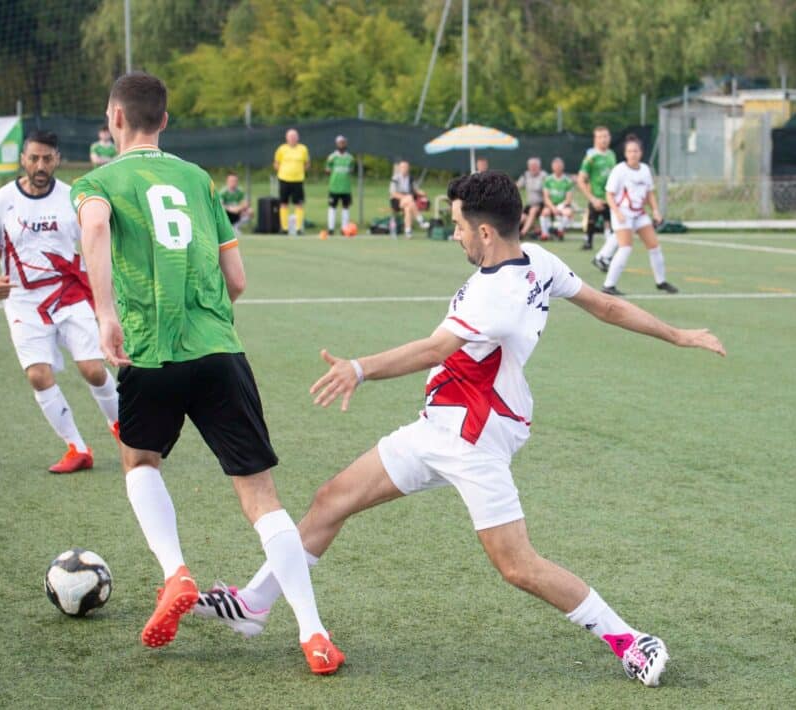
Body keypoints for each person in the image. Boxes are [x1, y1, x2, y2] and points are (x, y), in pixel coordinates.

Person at [194, 171, 726, 687]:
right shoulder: (537, 259)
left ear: (486, 232)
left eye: (459, 227)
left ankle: (630, 639)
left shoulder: (495, 295)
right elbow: (604, 305)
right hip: (438, 428)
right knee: (332, 499)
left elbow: (432, 349)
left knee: (517, 565)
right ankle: (254, 605)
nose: (455, 235)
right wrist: (677, 334)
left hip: (475, 438)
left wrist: (358, 368)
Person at [75, 71, 343, 673]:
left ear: (114, 118)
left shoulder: (98, 181)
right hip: (220, 350)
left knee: (141, 462)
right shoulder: (197, 180)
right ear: (164, 121)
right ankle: (313, 633)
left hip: (151, 352)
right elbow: (238, 280)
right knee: (262, 497)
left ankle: (175, 572)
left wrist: (105, 311)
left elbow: (94, 226)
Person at [0, 130, 119, 474]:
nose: (40, 165)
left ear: (57, 159)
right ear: (23, 159)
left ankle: (125, 432)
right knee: (38, 375)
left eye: (47, 158)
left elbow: (94, 246)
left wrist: (102, 295)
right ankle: (78, 448)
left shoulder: (73, 198)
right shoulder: (1, 201)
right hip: (23, 301)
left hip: (69, 294)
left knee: (94, 369)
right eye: (34, 158)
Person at [601, 135, 677, 295]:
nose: (633, 154)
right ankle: (608, 285)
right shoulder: (619, 170)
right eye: (629, 151)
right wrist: (617, 212)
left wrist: (655, 210)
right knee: (625, 248)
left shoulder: (645, 170)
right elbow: (609, 195)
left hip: (639, 214)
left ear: (641, 153)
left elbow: (649, 193)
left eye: (636, 150)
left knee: (654, 246)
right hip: (622, 214)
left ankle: (661, 281)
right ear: (625, 153)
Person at [577, 126, 617, 254]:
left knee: (612, 226)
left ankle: (608, 250)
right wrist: (592, 199)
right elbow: (581, 180)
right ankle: (589, 242)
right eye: (600, 137)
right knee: (592, 222)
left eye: (606, 136)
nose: (604, 139)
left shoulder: (612, 154)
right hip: (597, 198)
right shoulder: (591, 156)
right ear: (595, 139)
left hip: (611, 198)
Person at [274, 128, 309, 236]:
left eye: (294, 136)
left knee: (299, 204)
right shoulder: (281, 149)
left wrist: (298, 172)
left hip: (298, 180)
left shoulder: (303, 149)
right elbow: (276, 163)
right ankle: (284, 228)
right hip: (284, 179)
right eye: (290, 137)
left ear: (297, 138)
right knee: (283, 203)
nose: (292, 139)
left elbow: (307, 164)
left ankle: (298, 228)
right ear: (287, 138)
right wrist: (283, 172)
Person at [325, 135, 354, 235]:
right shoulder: (332, 157)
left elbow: (351, 170)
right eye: (340, 143)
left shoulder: (350, 158)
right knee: (332, 207)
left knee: (346, 208)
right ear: (336, 144)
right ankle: (331, 228)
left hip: (346, 188)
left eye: (343, 143)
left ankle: (344, 229)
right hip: (334, 187)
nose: (342, 145)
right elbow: (327, 170)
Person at [389, 160, 427, 238]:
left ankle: (408, 231)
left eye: (406, 167)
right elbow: (393, 193)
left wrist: (422, 193)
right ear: (399, 168)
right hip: (396, 201)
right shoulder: (395, 178)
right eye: (403, 167)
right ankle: (420, 220)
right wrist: (405, 197)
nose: (404, 169)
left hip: (408, 201)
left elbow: (416, 190)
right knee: (409, 199)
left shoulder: (411, 178)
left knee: (408, 208)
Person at [541, 157, 575, 239]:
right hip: (551, 205)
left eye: (559, 166)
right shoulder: (548, 180)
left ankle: (560, 231)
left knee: (568, 213)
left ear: (562, 167)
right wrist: (553, 208)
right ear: (552, 167)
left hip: (563, 206)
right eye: (556, 166)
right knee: (544, 212)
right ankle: (545, 234)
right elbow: (546, 198)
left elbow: (568, 199)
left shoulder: (568, 181)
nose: (557, 168)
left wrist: (560, 207)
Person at [516, 157, 545, 239]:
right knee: (521, 218)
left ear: (539, 166)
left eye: (535, 165)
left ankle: (522, 233)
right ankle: (537, 230)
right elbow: (517, 186)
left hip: (541, 204)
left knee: (533, 211)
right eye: (531, 166)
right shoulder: (526, 175)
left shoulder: (544, 176)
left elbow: (547, 191)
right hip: (530, 205)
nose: (533, 167)